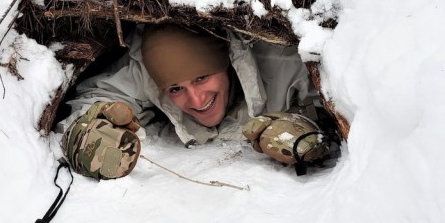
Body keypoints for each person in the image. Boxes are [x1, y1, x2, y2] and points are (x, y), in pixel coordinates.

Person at [57, 23, 339, 179]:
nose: (196, 99)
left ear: (227, 64)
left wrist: (308, 128)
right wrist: (89, 133)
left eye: (202, 78)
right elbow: (96, 100)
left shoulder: (285, 64)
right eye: (176, 89)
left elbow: (341, 106)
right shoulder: (146, 72)